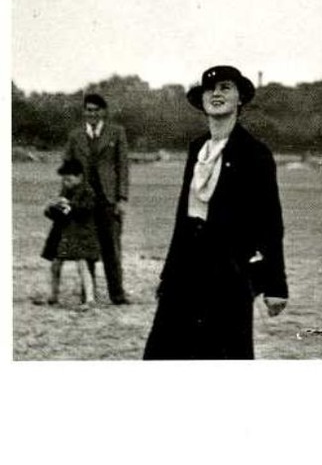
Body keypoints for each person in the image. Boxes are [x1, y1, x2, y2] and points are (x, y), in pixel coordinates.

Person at [144, 65, 288, 360]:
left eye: (225, 88)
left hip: (229, 273)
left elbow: (270, 222)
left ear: (240, 99)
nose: (216, 94)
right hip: (185, 271)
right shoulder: (197, 148)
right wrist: (168, 275)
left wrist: (276, 284)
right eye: (210, 89)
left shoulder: (255, 153)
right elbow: (183, 218)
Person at [64, 93, 130, 305]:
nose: (91, 114)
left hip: (108, 200)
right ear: (84, 112)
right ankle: (88, 294)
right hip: (83, 200)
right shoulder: (75, 136)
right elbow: (68, 169)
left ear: (103, 112)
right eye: (88, 110)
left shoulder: (116, 133)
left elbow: (123, 167)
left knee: (112, 248)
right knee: (86, 248)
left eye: (95, 110)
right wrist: (64, 198)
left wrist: (121, 198)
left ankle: (117, 294)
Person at [40, 158, 101, 310]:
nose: (65, 182)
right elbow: (57, 214)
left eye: (69, 179)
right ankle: (53, 295)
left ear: (79, 177)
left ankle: (90, 298)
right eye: (64, 179)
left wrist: (68, 205)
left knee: (83, 265)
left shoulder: (87, 191)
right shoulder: (66, 191)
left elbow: (85, 210)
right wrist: (51, 208)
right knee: (55, 264)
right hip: (63, 233)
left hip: (80, 234)